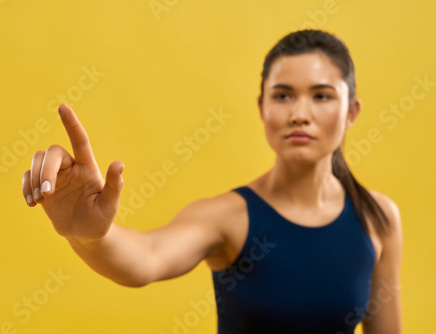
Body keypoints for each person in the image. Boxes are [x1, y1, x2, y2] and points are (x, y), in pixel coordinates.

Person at [21, 29, 403, 333]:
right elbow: (146, 257)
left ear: (351, 111)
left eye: (321, 96)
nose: (300, 114)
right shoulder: (226, 218)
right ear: (262, 107)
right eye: (283, 95)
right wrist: (90, 235)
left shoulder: (378, 217)